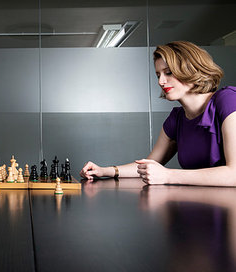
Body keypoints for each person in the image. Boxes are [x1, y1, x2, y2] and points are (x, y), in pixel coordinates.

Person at [80, 41, 236, 186]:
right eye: (158, 75)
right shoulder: (176, 119)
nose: (161, 82)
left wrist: (168, 176)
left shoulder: (228, 101)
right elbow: (148, 165)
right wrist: (105, 171)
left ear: (191, 70)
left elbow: (234, 173)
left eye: (168, 73)